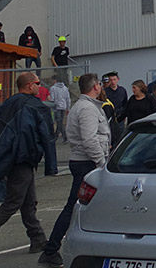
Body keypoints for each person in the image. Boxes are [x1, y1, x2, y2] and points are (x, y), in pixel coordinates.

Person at [0, 72, 58, 265]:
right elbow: (46, 135)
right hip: (22, 159)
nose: (39, 87)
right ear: (30, 85)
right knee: (12, 202)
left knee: (28, 200)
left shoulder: (7, 104)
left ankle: (37, 238)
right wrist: (50, 164)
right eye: (38, 84)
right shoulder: (33, 106)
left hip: (11, 158)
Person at [38, 73, 111, 267]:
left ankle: (99, 244)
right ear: (95, 87)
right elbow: (89, 139)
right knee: (74, 206)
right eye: (100, 85)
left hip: (84, 161)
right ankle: (51, 249)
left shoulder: (84, 106)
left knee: (92, 206)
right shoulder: (87, 108)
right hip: (87, 163)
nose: (102, 87)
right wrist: (102, 163)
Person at [102, 72, 128, 145]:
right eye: (111, 80)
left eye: (114, 79)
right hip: (109, 117)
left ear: (118, 79)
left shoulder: (122, 90)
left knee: (121, 136)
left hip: (120, 117)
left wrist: (124, 115)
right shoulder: (105, 92)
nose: (113, 82)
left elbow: (125, 103)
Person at [48, 77, 70, 143]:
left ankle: (65, 136)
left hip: (56, 107)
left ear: (55, 80)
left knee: (59, 122)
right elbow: (68, 99)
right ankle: (56, 136)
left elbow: (52, 99)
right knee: (59, 121)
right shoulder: (65, 88)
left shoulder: (53, 88)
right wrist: (68, 108)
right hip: (63, 106)